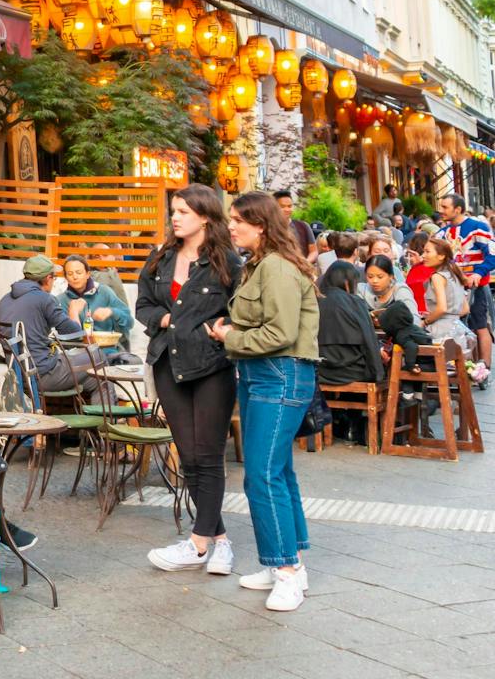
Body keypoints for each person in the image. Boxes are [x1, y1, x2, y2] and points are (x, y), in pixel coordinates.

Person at [207, 192, 321, 613]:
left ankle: (287, 572)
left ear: (260, 224)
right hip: (263, 374)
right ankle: (286, 564)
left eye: (238, 220)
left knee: (262, 476)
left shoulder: (274, 267)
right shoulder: (261, 264)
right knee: (278, 472)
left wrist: (228, 337)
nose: (231, 226)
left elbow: (281, 333)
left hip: (279, 373)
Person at [136, 185, 239, 575]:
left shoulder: (227, 262)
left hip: (212, 364)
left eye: (183, 211)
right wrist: (164, 320)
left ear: (205, 217)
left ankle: (198, 545)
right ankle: (220, 542)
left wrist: (220, 326)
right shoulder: (161, 259)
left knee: (208, 454)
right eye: (174, 211)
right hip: (168, 363)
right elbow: (143, 305)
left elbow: (240, 311)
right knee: (190, 456)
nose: (175, 217)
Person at [0, 254, 95, 394]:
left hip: (18, 375)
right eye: (54, 278)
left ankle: (102, 415)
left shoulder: (4, 300)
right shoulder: (45, 299)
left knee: (97, 381)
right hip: (43, 375)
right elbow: (76, 335)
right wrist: (74, 311)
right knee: (97, 354)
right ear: (48, 279)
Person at [316, 262, 385, 446]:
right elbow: (369, 341)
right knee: (367, 367)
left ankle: (341, 422)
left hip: (320, 370)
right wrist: (378, 373)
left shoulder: (313, 300)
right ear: (348, 282)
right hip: (351, 370)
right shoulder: (355, 302)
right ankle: (354, 424)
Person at [439, 194, 495, 375]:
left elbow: (492, 254)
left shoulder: (478, 228)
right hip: (452, 287)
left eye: (445, 207)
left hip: (476, 286)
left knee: (480, 324)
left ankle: (484, 368)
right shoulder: (442, 233)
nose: (441, 210)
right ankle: (461, 367)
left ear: (458, 209)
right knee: (455, 326)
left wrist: (478, 273)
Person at [59, 256, 132, 355]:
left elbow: (129, 322)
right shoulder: (61, 300)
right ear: (65, 277)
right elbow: (66, 341)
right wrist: (73, 313)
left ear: (88, 274)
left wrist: (112, 311)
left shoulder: (104, 292)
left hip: (108, 352)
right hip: (78, 355)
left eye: (79, 272)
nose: (75, 277)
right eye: (70, 274)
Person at [418, 238, 475, 354]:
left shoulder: (437, 277)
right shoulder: (454, 273)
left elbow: (442, 308)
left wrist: (425, 322)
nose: (423, 255)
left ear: (441, 256)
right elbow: (465, 309)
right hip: (457, 331)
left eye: (427, 252)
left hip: (440, 333)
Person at [363, 254, 418, 318]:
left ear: (391, 276)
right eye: (370, 276)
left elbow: (413, 317)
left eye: (380, 277)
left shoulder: (400, 290)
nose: (375, 281)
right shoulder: (362, 290)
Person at [276, 190, 316, 259]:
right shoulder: (268, 228)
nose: (287, 209)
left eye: (289, 206)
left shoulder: (303, 226)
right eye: (282, 206)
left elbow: (314, 251)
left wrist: (306, 262)